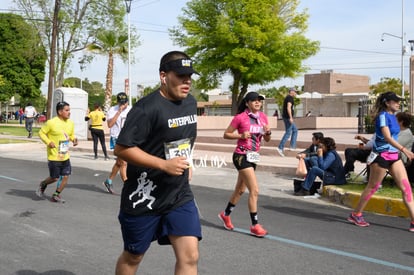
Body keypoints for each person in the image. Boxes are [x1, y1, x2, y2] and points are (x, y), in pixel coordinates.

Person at [113, 51, 202, 275]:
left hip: (178, 194)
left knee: (190, 256)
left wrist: (186, 162)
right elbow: (121, 148)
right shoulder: (146, 108)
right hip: (145, 196)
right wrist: (163, 165)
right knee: (133, 256)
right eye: (181, 75)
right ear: (164, 76)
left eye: (189, 75)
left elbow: (185, 137)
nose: (187, 81)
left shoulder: (190, 103)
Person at [347, 92, 414, 231]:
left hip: (394, 156)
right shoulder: (382, 117)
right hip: (381, 156)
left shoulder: (394, 117)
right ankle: (356, 214)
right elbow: (388, 138)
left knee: (406, 188)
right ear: (387, 102)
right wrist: (405, 150)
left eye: (398, 101)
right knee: (373, 187)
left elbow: (397, 135)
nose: (398, 103)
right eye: (395, 101)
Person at [218, 91, 272, 238]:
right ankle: (255, 225)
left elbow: (266, 140)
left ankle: (225, 214)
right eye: (254, 100)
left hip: (253, 156)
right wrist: (240, 135)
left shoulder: (263, 117)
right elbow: (226, 134)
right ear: (247, 103)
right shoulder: (240, 118)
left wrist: (268, 133)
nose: (257, 103)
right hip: (241, 156)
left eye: (259, 101)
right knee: (254, 190)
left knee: (240, 190)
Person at [35, 101, 78, 203]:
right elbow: (41, 133)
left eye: (69, 110)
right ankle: (43, 184)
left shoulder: (70, 123)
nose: (69, 112)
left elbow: (70, 135)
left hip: (65, 155)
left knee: (65, 176)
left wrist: (74, 139)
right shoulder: (51, 123)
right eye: (67, 110)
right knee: (54, 178)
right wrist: (48, 142)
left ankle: (56, 195)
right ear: (60, 111)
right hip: (54, 156)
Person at [102, 92, 131, 194]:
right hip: (117, 138)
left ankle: (109, 181)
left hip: (128, 138)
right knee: (123, 163)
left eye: (125, 103)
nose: (123, 105)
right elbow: (109, 124)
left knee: (119, 163)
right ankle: (128, 188)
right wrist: (119, 112)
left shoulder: (131, 109)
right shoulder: (113, 110)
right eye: (121, 103)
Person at [276, 87, 298, 157]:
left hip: (286, 117)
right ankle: (280, 147)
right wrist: (291, 117)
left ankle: (292, 146)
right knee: (288, 133)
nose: (296, 93)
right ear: (291, 91)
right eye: (295, 92)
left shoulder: (288, 98)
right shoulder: (289, 98)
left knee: (295, 130)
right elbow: (288, 108)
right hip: (288, 118)